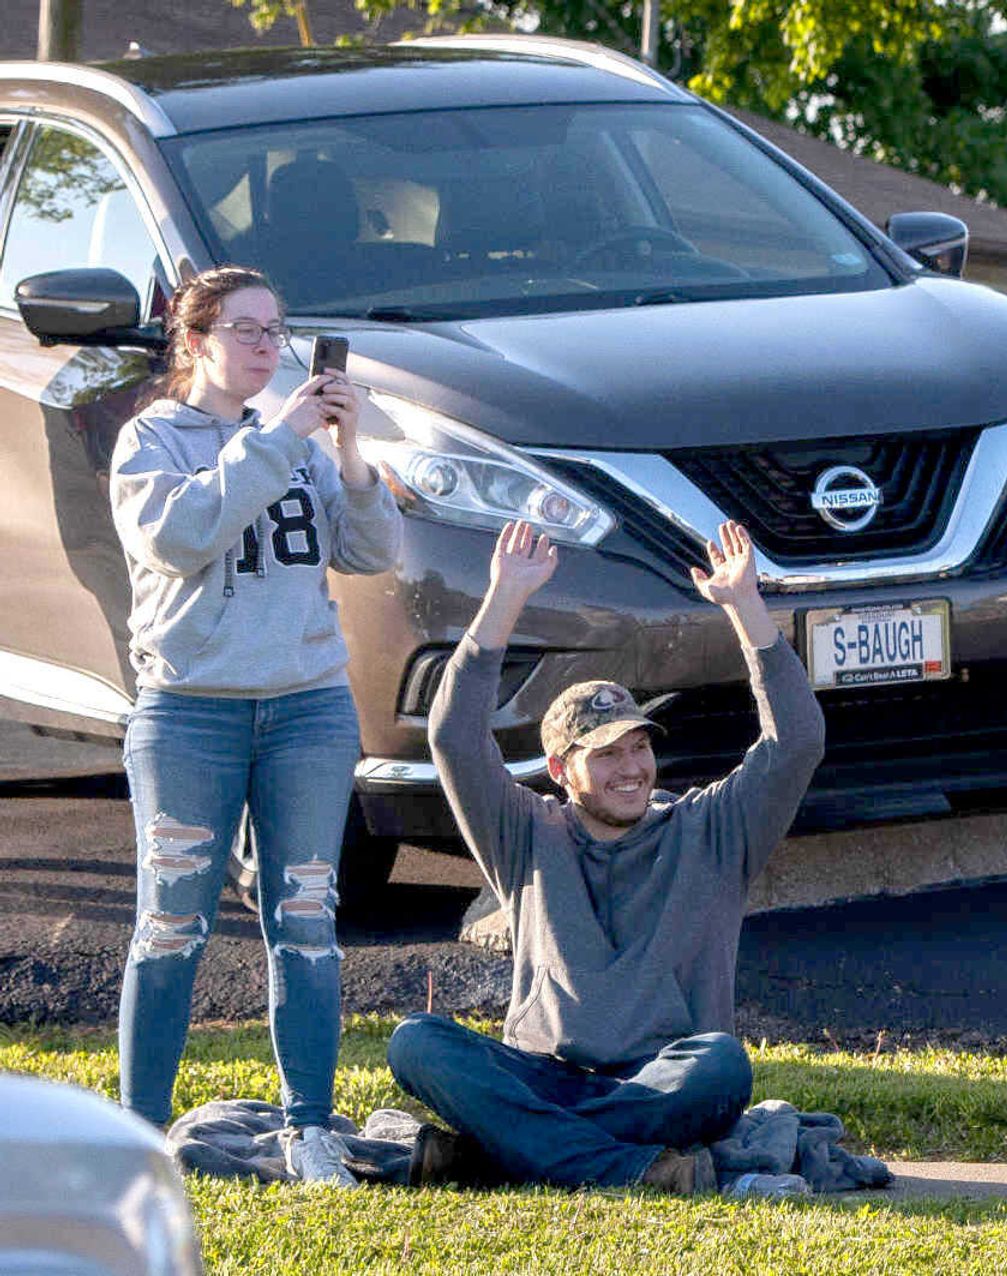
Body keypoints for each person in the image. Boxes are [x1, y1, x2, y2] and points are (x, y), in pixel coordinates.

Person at [386, 518, 825, 1193]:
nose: (632, 767)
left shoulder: (711, 829)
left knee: (722, 1068)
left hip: (662, 1078)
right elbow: (453, 738)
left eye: (640, 746)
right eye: (608, 753)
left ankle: (510, 1147)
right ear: (561, 770)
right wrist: (504, 600)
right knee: (415, 1041)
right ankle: (623, 1167)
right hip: (544, 1073)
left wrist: (747, 610)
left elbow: (795, 741)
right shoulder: (524, 833)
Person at [109, 266, 401, 1186]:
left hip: (307, 708)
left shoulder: (305, 446)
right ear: (194, 342)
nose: (269, 347)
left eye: (277, 329)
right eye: (246, 330)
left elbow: (372, 550)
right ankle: (139, 1137)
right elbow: (186, 535)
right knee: (171, 924)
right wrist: (279, 437)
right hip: (190, 711)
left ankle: (309, 1127)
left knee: (306, 918)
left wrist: (350, 455)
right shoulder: (149, 442)